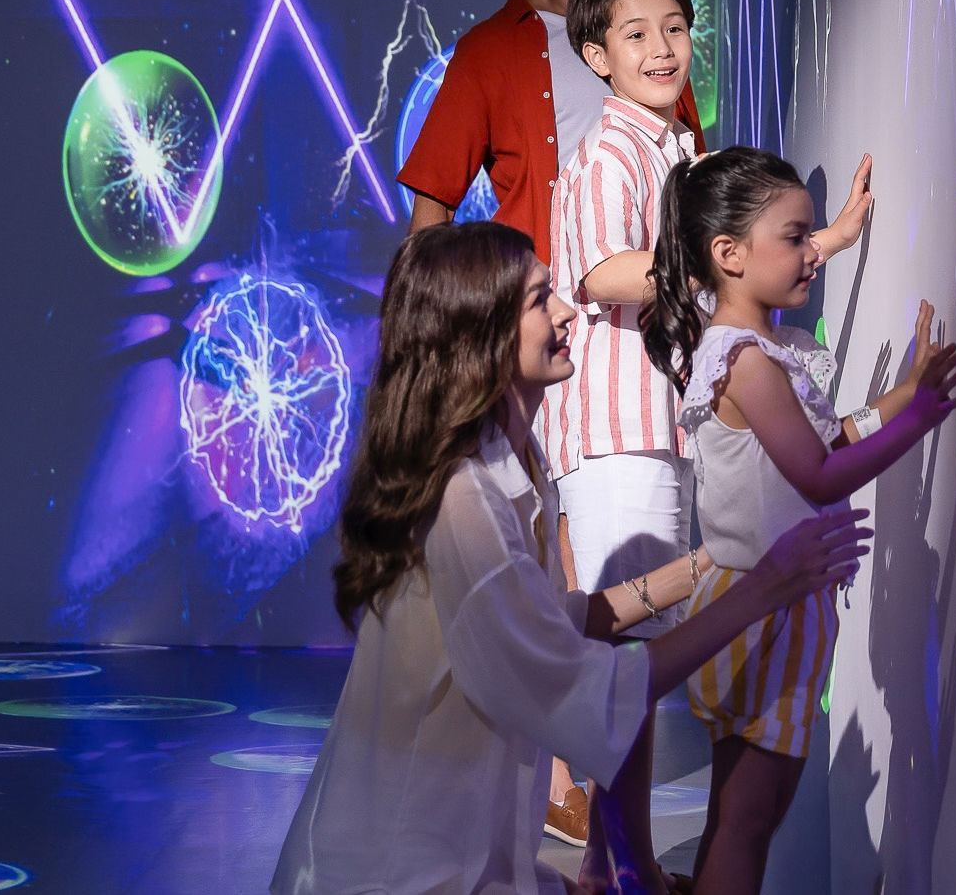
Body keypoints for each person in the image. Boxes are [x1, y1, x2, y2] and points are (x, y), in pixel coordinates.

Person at [395, 0, 819, 839]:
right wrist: (444, 362)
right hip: (578, 367)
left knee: (681, 576)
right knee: (604, 590)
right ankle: (593, 827)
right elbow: (427, 220)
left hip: (683, 353)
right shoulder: (484, 59)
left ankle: (624, 832)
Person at [270, 222, 869, 895]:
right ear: (480, 335)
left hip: (464, 863)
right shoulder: (463, 500)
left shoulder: (518, 464)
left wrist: (710, 564)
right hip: (399, 878)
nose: (566, 313)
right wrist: (762, 588)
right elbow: (579, 683)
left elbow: (554, 619)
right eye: (538, 300)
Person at [544, 0, 873, 881]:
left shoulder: (674, 147)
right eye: (636, 33)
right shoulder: (609, 152)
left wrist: (814, 243)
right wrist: (739, 262)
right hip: (618, 429)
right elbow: (602, 272)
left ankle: (622, 866)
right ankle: (621, 868)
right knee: (624, 659)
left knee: (638, 655)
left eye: (675, 28)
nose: (662, 48)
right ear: (596, 55)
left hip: (657, 425)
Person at [641, 148, 956, 895]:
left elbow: (827, 439)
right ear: (729, 254)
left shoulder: (761, 352)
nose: (812, 253)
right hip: (766, 610)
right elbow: (818, 473)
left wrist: (904, 394)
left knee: (746, 813)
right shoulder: (746, 360)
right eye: (795, 238)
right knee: (749, 817)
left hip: (770, 604)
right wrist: (917, 419)